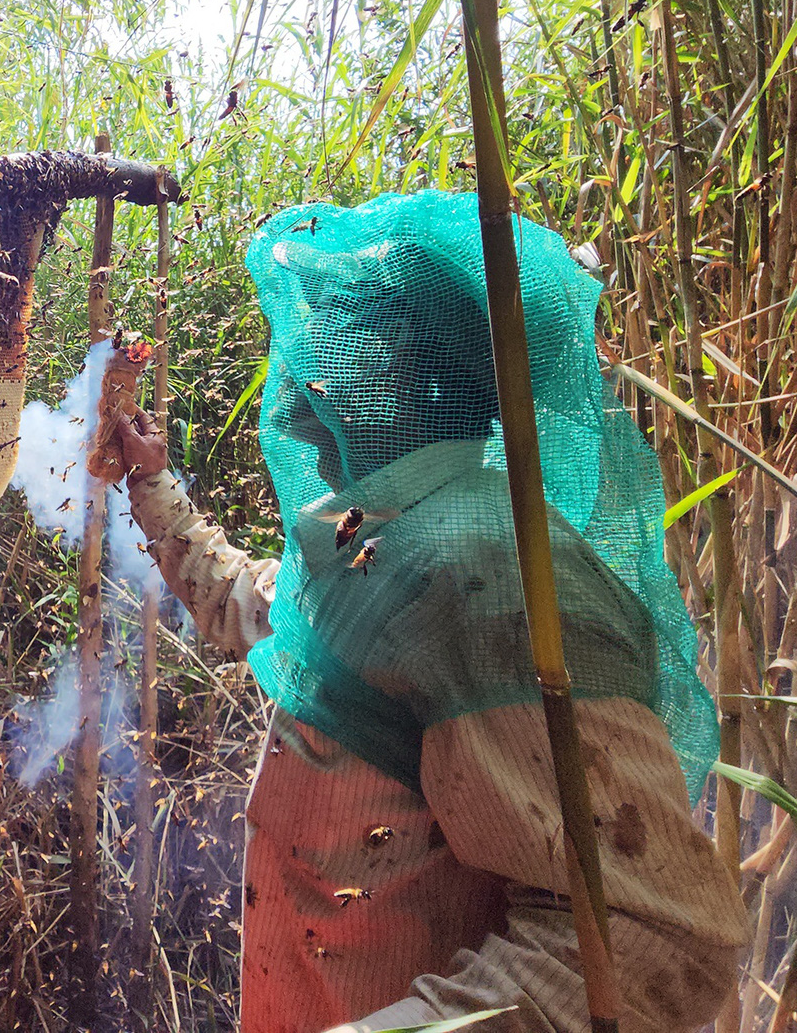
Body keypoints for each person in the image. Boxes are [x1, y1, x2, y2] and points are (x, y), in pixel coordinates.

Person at [94, 192, 747, 1033]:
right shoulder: (375, 527)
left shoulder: (482, 567)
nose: (295, 399)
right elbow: (256, 605)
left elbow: (648, 938)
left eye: (335, 359)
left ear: (407, 380)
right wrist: (151, 484)